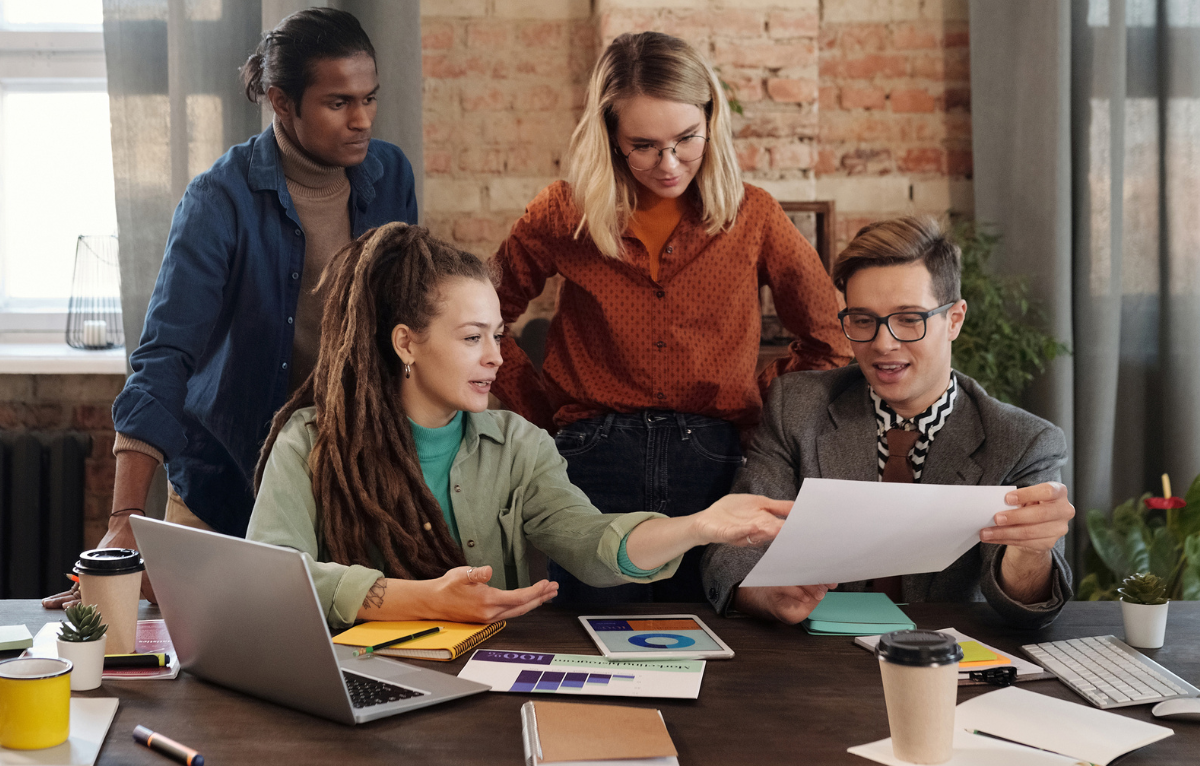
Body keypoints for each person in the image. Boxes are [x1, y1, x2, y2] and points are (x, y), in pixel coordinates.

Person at [44, 8, 417, 608]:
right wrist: (124, 521)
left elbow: (405, 324)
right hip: (226, 485)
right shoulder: (218, 198)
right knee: (206, 685)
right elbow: (165, 355)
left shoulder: (390, 174)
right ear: (281, 102)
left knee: (336, 671)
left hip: (347, 486)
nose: (363, 120)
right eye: (339, 102)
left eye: (370, 98)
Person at [247, 223, 793, 627]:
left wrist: (698, 526)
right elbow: (271, 578)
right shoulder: (310, 442)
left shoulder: (519, 445)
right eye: (471, 337)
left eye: (498, 335)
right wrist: (421, 599)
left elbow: (590, 541)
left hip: (487, 686)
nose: (496, 358)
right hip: (355, 684)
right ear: (406, 342)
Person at [490, 31, 852, 605]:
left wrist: (755, 398)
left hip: (711, 461)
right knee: (590, 639)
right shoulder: (563, 213)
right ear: (610, 135)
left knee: (712, 638)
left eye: (687, 139)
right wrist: (539, 417)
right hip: (590, 459)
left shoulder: (753, 215)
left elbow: (831, 340)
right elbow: (486, 318)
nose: (669, 163)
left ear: (712, 118)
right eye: (644, 145)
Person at [701, 216, 1076, 629]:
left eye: (909, 319)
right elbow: (732, 548)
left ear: (954, 320)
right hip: (817, 660)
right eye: (863, 320)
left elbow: (1025, 607)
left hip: (946, 662)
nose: (883, 343)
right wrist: (764, 594)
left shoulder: (1023, 440)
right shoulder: (797, 406)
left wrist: (1032, 550)